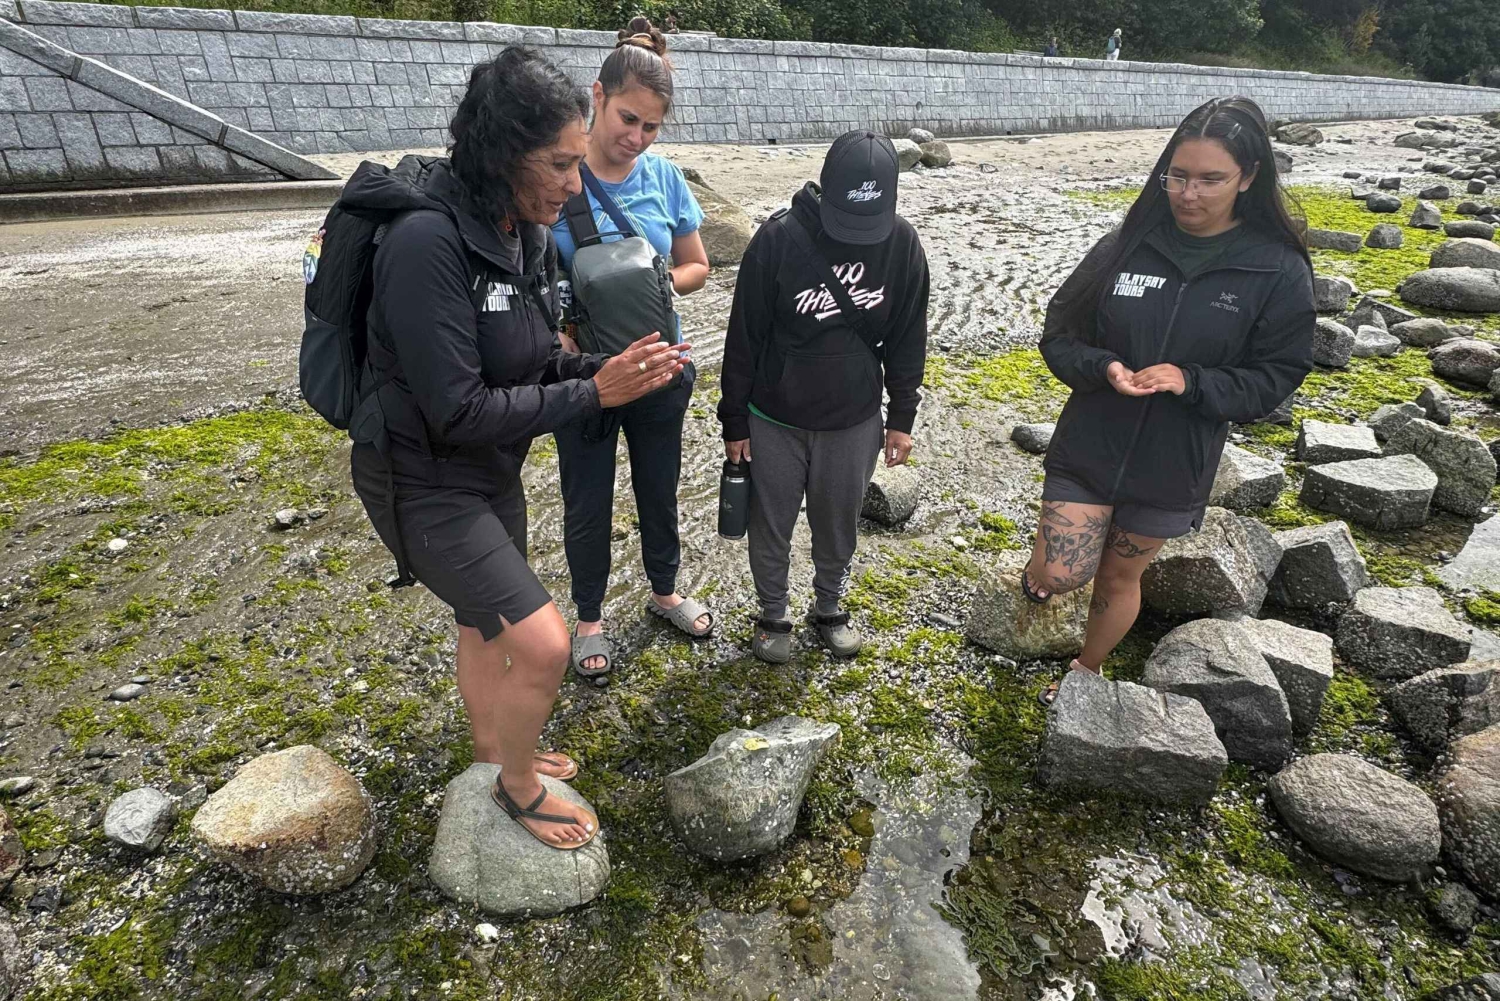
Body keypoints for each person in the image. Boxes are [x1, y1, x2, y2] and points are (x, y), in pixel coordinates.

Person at [346, 48, 689, 848]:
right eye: (562, 165)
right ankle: (518, 786)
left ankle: (493, 749)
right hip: (419, 475)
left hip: (487, 467)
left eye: (578, 163)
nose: (576, 185)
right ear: (504, 157)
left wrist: (607, 370)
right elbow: (457, 409)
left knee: (483, 624)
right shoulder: (424, 245)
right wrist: (593, 394)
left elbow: (534, 358)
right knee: (542, 644)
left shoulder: (520, 228)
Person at [1023, 96, 1314, 706]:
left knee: (1118, 574)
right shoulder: (1127, 244)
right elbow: (1058, 332)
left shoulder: (1277, 269)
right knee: (1059, 572)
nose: (1190, 193)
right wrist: (1103, 367)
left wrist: (1194, 382)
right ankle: (1041, 576)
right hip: (1092, 441)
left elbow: (1279, 375)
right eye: (1178, 176)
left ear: (1250, 178)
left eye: (1212, 179)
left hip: (1173, 461)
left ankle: (1087, 669)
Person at [719, 131, 929, 664]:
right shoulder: (777, 240)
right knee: (771, 525)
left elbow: (908, 336)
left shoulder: (902, 245)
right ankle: (772, 613)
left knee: (838, 521)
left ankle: (830, 606)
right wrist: (734, 422)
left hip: (855, 418)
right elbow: (742, 338)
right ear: (826, 191)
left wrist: (901, 416)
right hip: (774, 417)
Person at [551, 16, 714, 680]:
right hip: (586, 374)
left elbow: (696, 265)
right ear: (597, 95)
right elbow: (535, 274)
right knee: (585, 497)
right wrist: (562, 324)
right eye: (627, 118)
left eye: (651, 127)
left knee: (659, 487)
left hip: (658, 366)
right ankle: (588, 618)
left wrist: (653, 287)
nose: (636, 137)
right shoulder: (559, 175)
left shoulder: (665, 179)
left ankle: (664, 590)